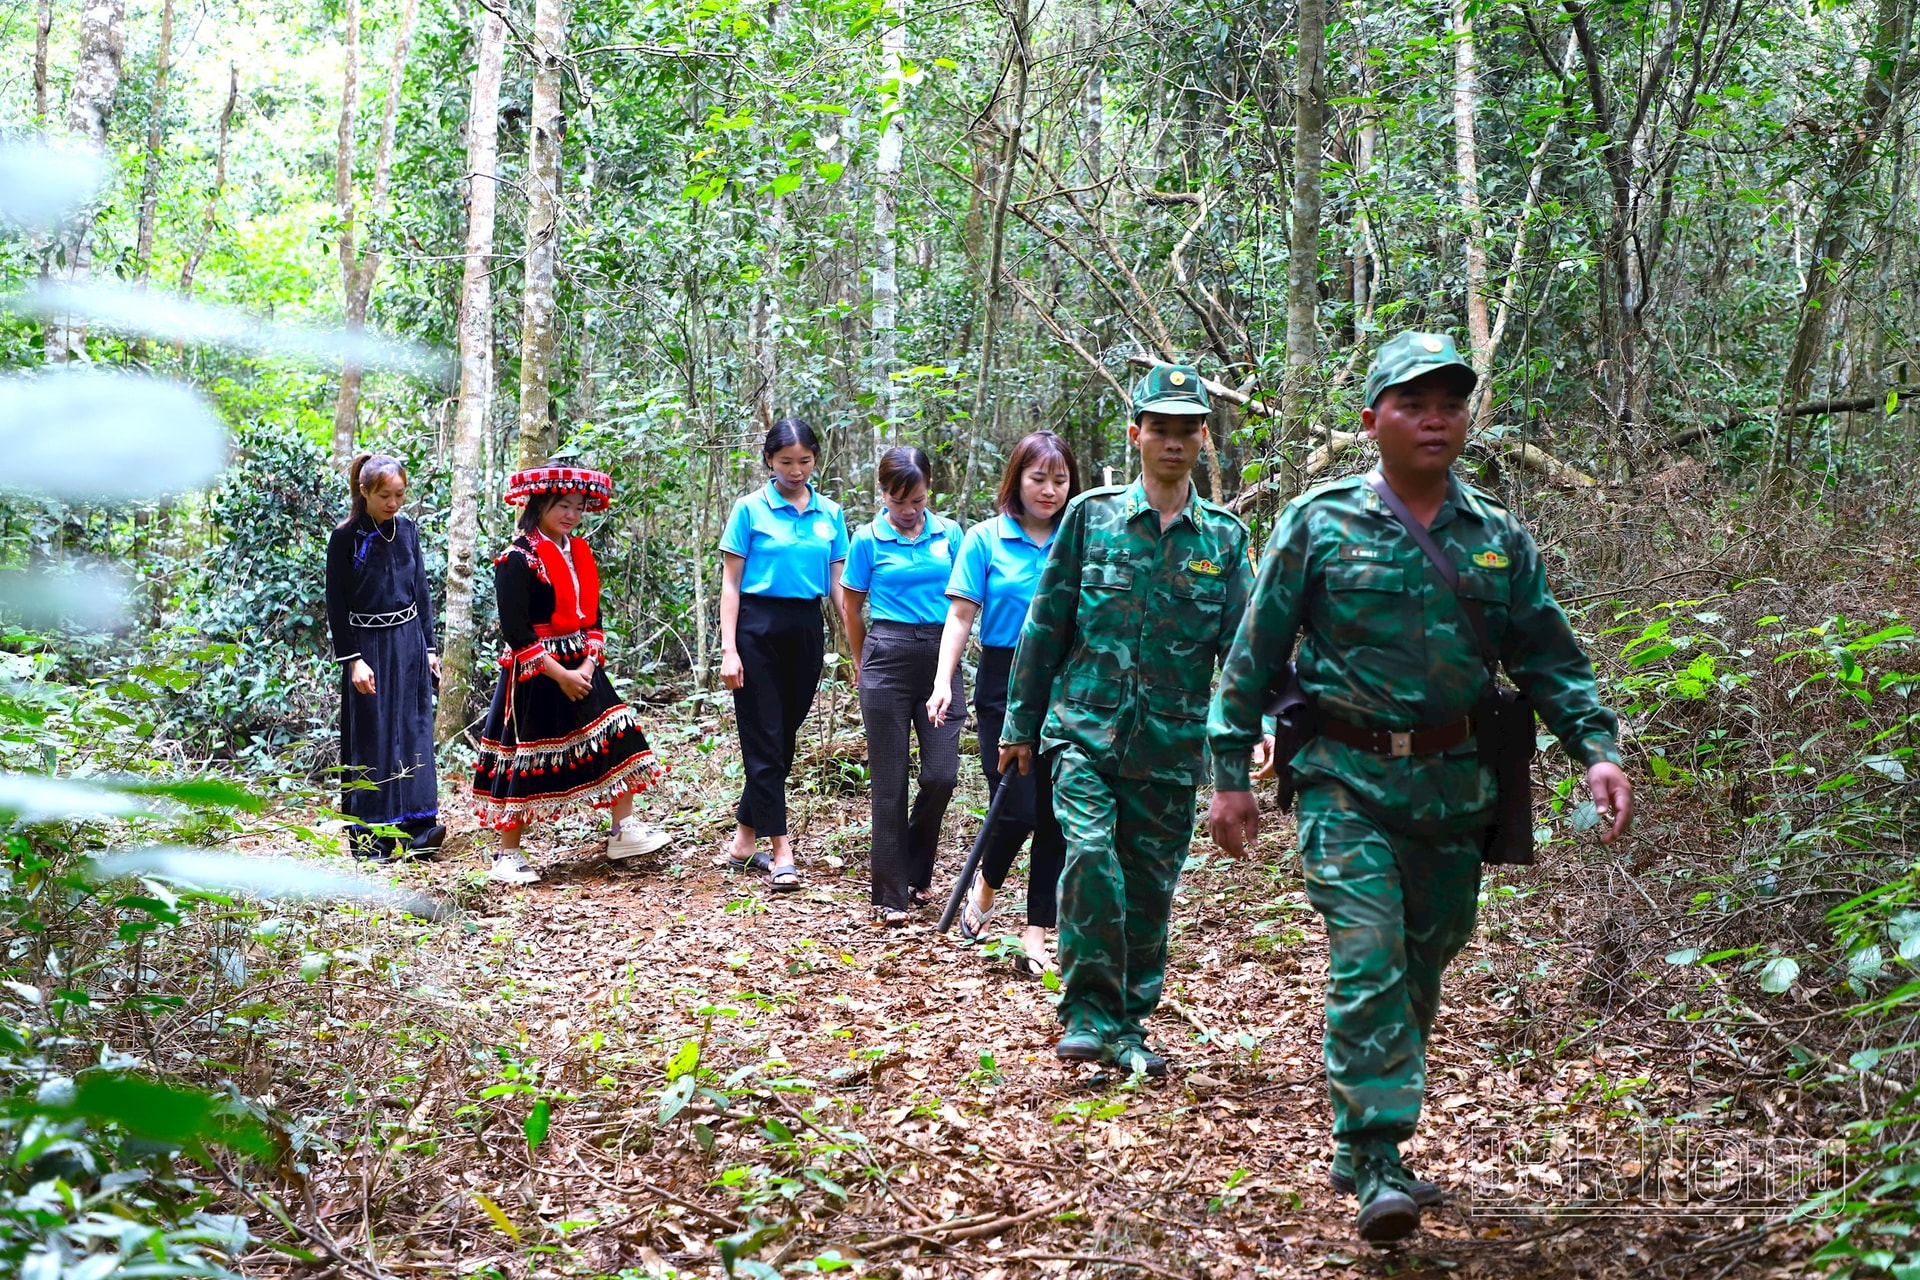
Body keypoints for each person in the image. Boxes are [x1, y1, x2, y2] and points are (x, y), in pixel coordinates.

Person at [1206, 331, 1635, 1244]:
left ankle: (1366, 1135)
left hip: (1455, 793)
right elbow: (1253, 657)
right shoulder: (1316, 523)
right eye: (1413, 402)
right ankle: (1377, 1157)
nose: (1435, 417)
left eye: (1450, 401)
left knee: (1421, 965)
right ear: (1373, 421)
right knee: (1368, 955)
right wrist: (1228, 775)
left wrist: (1594, 747)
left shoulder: (1497, 537)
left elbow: (1550, 657)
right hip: (1343, 783)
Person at [1001, 365, 1266, 1076]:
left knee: (1149, 891)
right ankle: (1086, 1012)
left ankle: (1128, 1026)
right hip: (1083, 734)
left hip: (1171, 750)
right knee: (1091, 861)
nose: (1172, 442)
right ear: (1137, 434)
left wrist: (1249, 738)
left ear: (1202, 439)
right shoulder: (1091, 517)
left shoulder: (1224, 540)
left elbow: (1244, 656)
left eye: (1186, 430)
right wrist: (1019, 726)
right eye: (1160, 429)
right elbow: (1045, 625)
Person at [472, 462, 670, 884]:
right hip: (536, 669)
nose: (571, 515)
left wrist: (584, 664)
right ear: (539, 503)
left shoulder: (578, 553)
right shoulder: (516, 558)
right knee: (523, 756)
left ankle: (623, 829)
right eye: (563, 505)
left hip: (581, 661)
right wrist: (559, 674)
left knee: (617, 732)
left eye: (578, 507)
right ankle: (508, 854)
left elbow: (593, 616)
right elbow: (516, 630)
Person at [928, 432, 1080, 974]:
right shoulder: (985, 538)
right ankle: (985, 889)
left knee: (1057, 814)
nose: (1049, 490)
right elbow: (961, 617)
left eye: (1059, 480)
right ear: (1016, 479)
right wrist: (944, 680)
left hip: (1067, 685)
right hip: (1002, 680)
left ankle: (1037, 935)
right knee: (1016, 806)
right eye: (1038, 478)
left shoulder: (1079, 536)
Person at [718, 419, 849, 891]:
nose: (796, 471)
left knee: (780, 740)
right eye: (786, 462)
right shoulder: (749, 509)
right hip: (756, 629)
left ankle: (743, 839)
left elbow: (839, 588)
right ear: (769, 461)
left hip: (805, 630)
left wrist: (856, 645)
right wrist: (729, 649)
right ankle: (781, 849)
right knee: (766, 739)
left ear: (817, 459)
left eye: (805, 461)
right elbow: (731, 585)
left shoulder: (830, 514)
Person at [841, 446, 966, 927]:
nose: (909, 511)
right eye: (898, 502)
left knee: (941, 774)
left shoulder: (950, 533)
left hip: (940, 657)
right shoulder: (867, 539)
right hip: (886, 657)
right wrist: (861, 659)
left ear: (928, 490)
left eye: (916, 500)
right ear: (883, 494)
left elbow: (963, 600)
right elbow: (852, 607)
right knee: (888, 782)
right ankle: (890, 894)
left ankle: (916, 865)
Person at [325, 452, 442, 861]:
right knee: (372, 737)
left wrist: (429, 649)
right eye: (384, 496)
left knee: (413, 730)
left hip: (409, 643)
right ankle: (371, 836)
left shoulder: (408, 530)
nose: (393, 504)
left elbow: (421, 592)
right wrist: (353, 659)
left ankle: (417, 829)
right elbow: (335, 606)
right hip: (368, 647)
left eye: (399, 495)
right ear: (364, 492)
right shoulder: (346, 537)